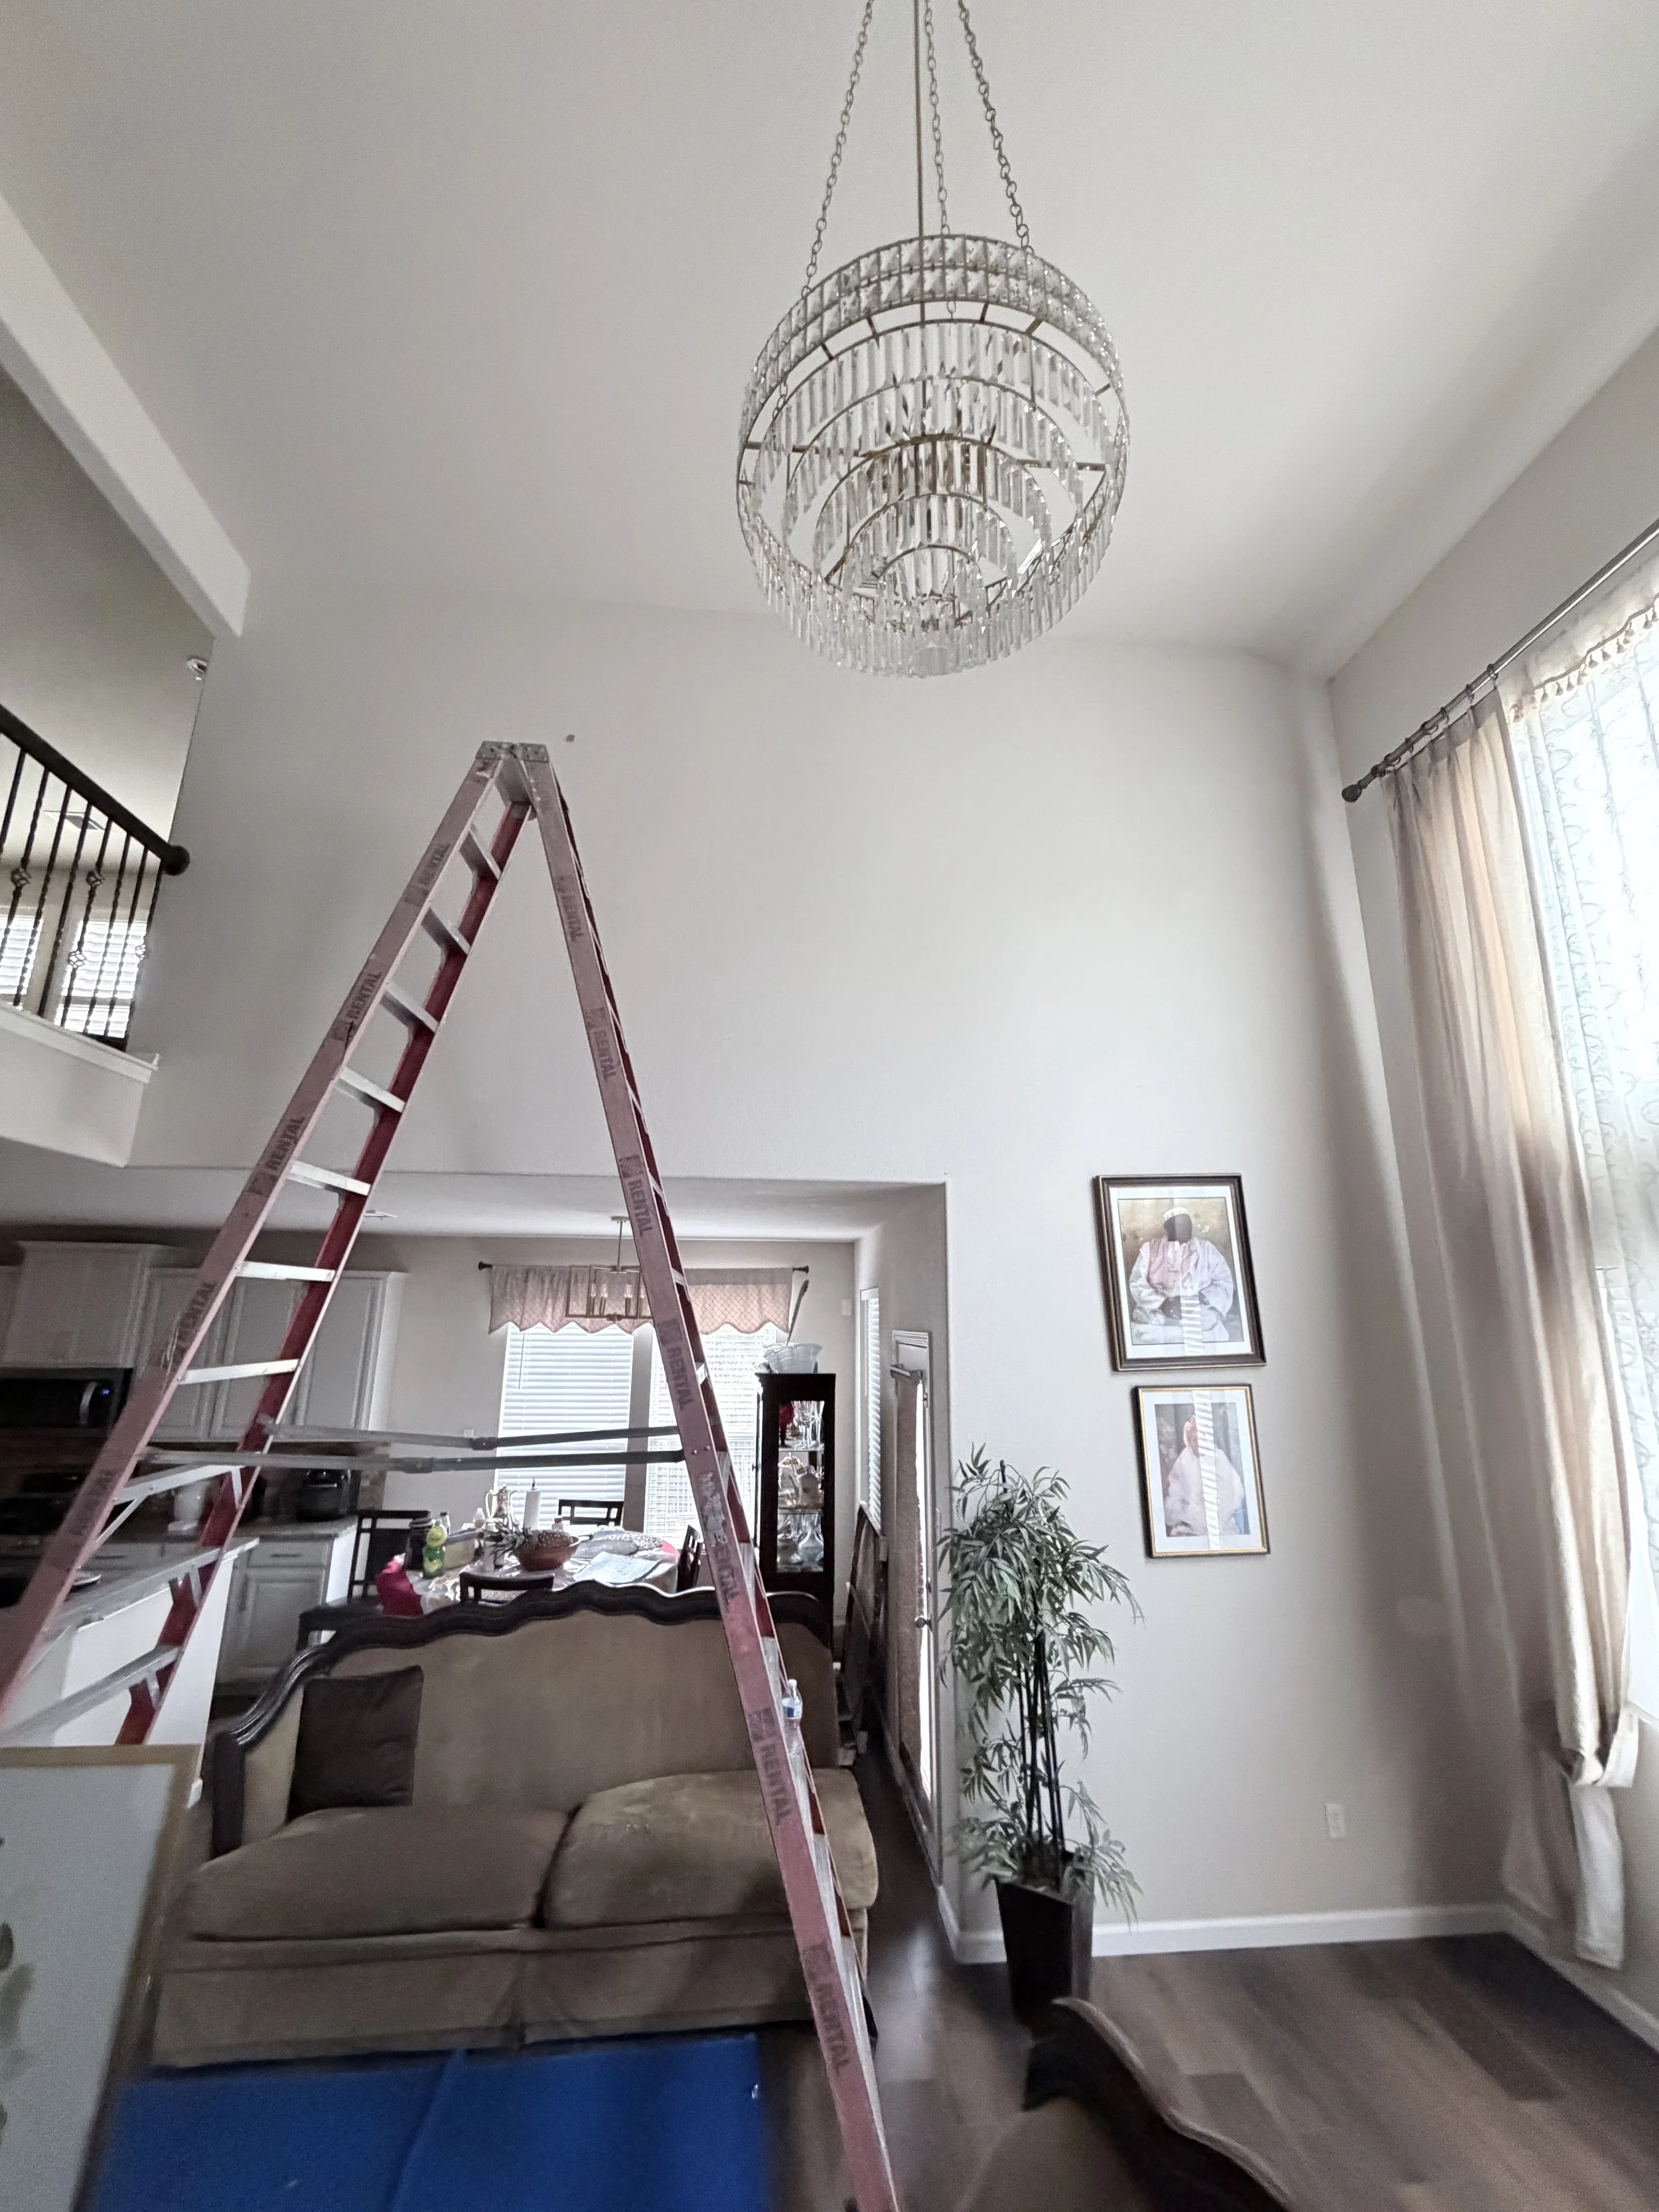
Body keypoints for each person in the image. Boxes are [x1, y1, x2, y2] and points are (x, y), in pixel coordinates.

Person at [1127, 1207, 1236, 1345]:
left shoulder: (1206, 1249)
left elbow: (1224, 1282)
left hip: (1199, 1315)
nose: (1186, 1228)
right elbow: (1137, 1282)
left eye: (1188, 1224)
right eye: (1180, 1224)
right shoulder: (1149, 1249)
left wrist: (1198, 1299)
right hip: (1157, 1318)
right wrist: (1162, 1303)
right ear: (1168, 1228)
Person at [1161, 1412, 1247, 1540]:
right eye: (1193, 1440)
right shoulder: (1184, 1458)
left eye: (1200, 1438)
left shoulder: (1218, 1458)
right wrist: (1183, 1508)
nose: (1197, 1443)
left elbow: (1234, 1492)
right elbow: (1175, 1487)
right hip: (1191, 1523)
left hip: (1221, 1524)